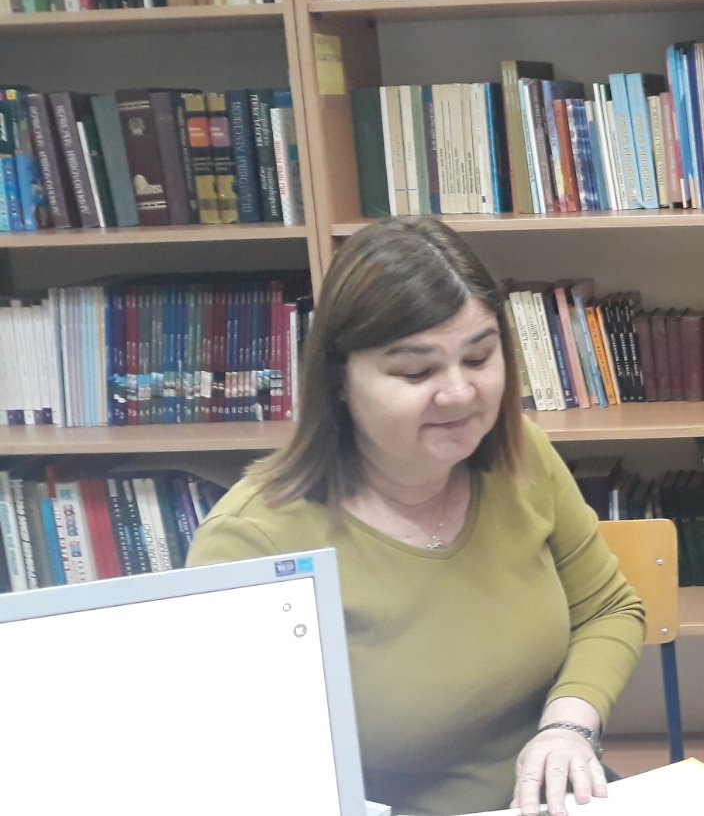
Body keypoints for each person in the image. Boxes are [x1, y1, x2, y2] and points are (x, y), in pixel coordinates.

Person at [186, 216, 645, 816]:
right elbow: (239, 766)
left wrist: (567, 727)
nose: (459, 393)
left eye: (479, 358)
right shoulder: (252, 542)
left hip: (550, 797)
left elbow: (608, 609)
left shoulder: (520, 455)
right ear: (339, 380)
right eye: (416, 371)